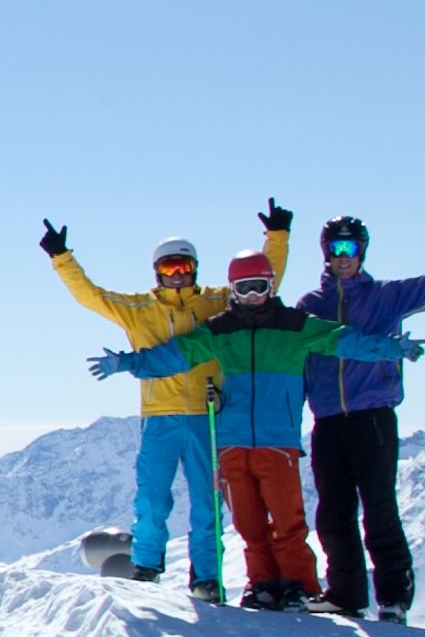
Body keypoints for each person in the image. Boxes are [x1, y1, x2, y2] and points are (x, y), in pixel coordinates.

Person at [91, 252, 425, 611]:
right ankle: (262, 583)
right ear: (233, 290)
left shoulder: (295, 326)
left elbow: (344, 341)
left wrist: (391, 348)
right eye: (244, 288)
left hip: (276, 440)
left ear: (270, 285)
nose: (253, 296)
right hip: (233, 440)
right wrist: (126, 362)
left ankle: (298, 584)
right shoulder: (221, 329)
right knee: (248, 522)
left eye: (260, 287)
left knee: (287, 520)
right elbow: (175, 355)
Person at [44, 200, 291, 600]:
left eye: (183, 268)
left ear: (194, 269)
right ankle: (146, 566)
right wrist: (62, 257)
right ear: (156, 272)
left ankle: (207, 577)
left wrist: (276, 238)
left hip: (205, 415)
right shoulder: (138, 309)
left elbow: (262, 281)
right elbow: (90, 296)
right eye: (168, 269)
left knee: (206, 501)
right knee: (152, 497)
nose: (177, 276)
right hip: (160, 416)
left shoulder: (214, 302)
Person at [295, 193, 425, 622]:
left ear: (363, 251)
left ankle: (392, 599)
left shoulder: (387, 296)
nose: (343, 256)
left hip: (373, 417)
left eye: (351, 248)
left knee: (378, 508)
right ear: (325, 254)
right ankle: (346, 594)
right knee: (333, 514)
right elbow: (295, 366)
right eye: (336, 248)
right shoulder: (309, 307)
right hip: (328, 422)